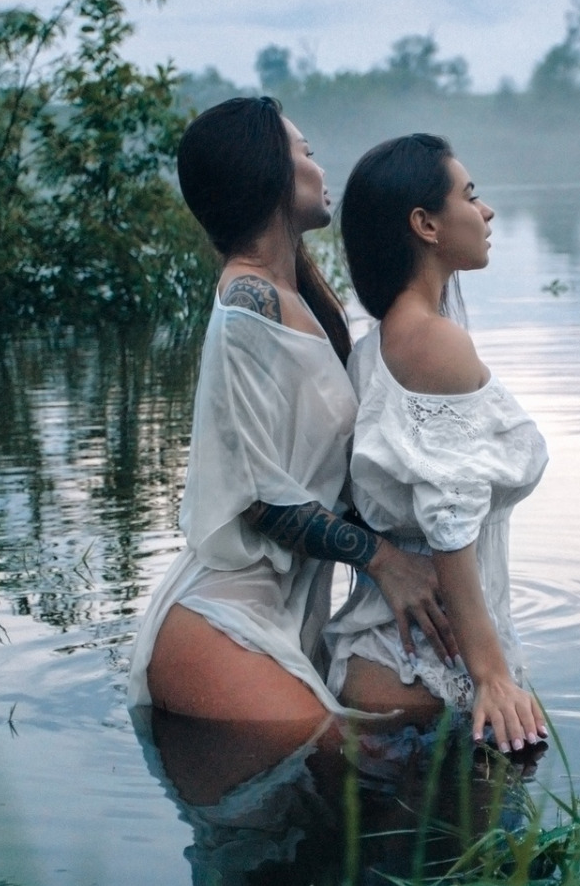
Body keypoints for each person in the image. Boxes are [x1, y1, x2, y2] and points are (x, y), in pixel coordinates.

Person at [127, 98, 457, 742]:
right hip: (225, 621)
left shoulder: (291, 299)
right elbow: (257, 499)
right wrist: (383, 559)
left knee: (359, 807)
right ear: (271, 174)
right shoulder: (248, 304)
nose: (318, 163)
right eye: (304, 152)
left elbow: (325, 484)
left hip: (280, 613)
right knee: (351, 771)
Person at [325, 133, 550, 754]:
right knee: (483, 852)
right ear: (424, 224)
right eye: (470, 196)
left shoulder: (381, 343)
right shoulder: (431, 342)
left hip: (398, 666)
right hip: (425, 679)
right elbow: (451, 525)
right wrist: (493, 677)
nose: (486, 212)